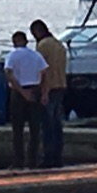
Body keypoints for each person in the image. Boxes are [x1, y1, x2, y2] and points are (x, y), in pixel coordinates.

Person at [4, 30, 48, 169]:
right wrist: (43, 92)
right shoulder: (36, 55)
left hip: (18, 91)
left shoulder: (12, 55)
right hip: (35, 89)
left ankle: (19, 161)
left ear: (14, 42)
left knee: (18, 130)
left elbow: (9, 74)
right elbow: (44, 73)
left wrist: (22, 92)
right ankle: (33, 161)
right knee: (35, 129)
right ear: (26, 41)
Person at [30, 19, 67, 168]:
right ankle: (58, 157)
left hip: (49, 88)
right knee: (57, 124)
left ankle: (48, 158)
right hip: (61, 85)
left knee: (47, 125)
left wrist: (43, 92)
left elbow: (43, 71)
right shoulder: (60, 45)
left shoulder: (42, 46)